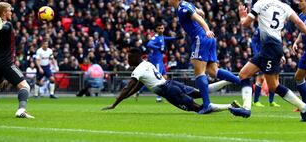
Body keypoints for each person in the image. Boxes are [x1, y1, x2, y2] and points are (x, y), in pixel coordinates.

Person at [231, 0, 306, 122]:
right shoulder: (283, 5)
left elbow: (246, 23)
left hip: (270, 47)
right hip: (271, 47)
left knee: (273, 85)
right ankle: (246, 108)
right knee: (243, 74)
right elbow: (299, 23)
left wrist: (242, 16)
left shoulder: (259, 3)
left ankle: (304, 107)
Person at [166, 0, 240, 114]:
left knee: (199, 72)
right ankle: (242, 81)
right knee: (213, 71)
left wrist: (206, 30)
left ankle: (207, 105)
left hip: (201, 38)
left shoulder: (183, 8)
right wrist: (203, 21)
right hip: (208, 39)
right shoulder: (186, 5)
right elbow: (201, 12)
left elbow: (198, 17)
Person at [102, 48, 240, 112]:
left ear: (135, 57)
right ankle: (231, 80)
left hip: (168, 91)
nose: (127, 60)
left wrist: (115, 103)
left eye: (128, 57)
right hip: (171, 84)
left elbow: (128, 88)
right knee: (200, 92)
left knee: (198, 108)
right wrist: (122, 99)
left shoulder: (137, 70)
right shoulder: (147, 64)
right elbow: (135, 88)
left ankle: (230, 106)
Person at [146, 22, 182, 102]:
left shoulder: (161, 36)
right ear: (156, 29)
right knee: (160, 79)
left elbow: (168, 38)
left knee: (165, 78)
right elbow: (149, 44)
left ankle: (162, 95)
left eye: (162, 28)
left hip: (160, 61)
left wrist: (177, 38)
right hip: (156, 61)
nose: (161, 30)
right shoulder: (155, 37)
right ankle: (158, 97)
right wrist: (158, 48)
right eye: (159, 28)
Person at [251, 27, 280, 107]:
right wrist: (256, 53)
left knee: (274, 79)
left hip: (273, 56)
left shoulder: (275, 27)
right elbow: (253, 41)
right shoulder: (260, 27)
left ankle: (271, 101)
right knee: (261, 78)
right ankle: (256, 101)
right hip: (262, 56)